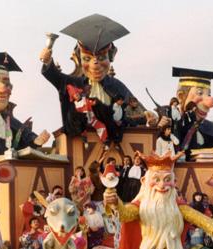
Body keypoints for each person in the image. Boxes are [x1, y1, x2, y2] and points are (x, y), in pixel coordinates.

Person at [40, 14, 155, 149]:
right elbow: (54, 76)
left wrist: (151, 118)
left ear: (110, 57)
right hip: (80, 144)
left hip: (114, 143)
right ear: (79, 60)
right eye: (87, 59)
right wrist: (48, 61)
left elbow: (136, 110)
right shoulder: (74, 84)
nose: (95, 65)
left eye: (101, 58)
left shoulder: (116, 86)